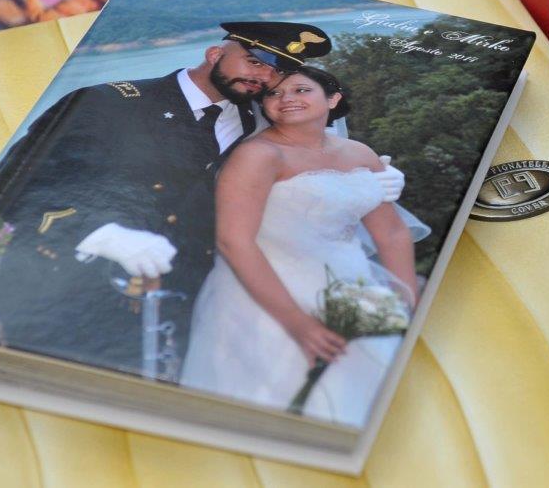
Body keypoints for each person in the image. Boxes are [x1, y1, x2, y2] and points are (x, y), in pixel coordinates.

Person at [0, 20, 407, 378]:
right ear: (214, 53)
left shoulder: (255, 121)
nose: (263, 77)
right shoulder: (107, 102)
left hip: (185, 306)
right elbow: (10, 184)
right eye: (254, 61)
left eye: (276, 73)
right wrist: (97, 231)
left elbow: (301, 164)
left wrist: (364, 180)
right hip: (73, 296)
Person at [181, 66, 425, 427]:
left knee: (363, 398)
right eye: (274, 93)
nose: (286, 99)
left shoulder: (359, 153)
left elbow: (391, 233)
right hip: (268, 295)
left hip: (353, 287)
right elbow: (234, 241)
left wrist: (405, 301)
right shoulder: (259, 155)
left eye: (300, 90)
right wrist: (298, 324)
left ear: (333, 99)